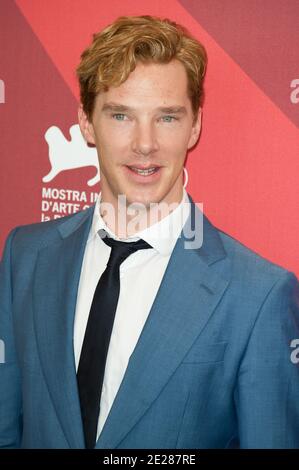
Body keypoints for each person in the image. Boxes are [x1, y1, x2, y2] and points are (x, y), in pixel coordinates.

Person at [0, 15, 299, 450]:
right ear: (86, 122)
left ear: (194, 126)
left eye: (167, 118)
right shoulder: (25, 256)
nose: (145, 144)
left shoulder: (259, 295)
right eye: (121, 115)